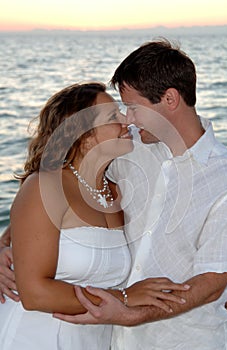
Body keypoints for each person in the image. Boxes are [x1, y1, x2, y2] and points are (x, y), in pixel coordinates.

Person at [51, 40, 227, 349]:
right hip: (112, 340)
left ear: (170, 99)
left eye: (134, 108)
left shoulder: (225, 180)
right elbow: (70, 177)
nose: (127, 119)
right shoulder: (131, 145)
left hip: (186, 341)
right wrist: (11, 240)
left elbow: (212, 281)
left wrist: (130, 315)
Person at [0, 81, 188, 350]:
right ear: (84, 134)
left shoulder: (119, 192)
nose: (126, 120)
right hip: (30, 337)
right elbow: (34, 293)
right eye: (113, 116)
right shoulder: (47, 186)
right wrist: (125, 298)